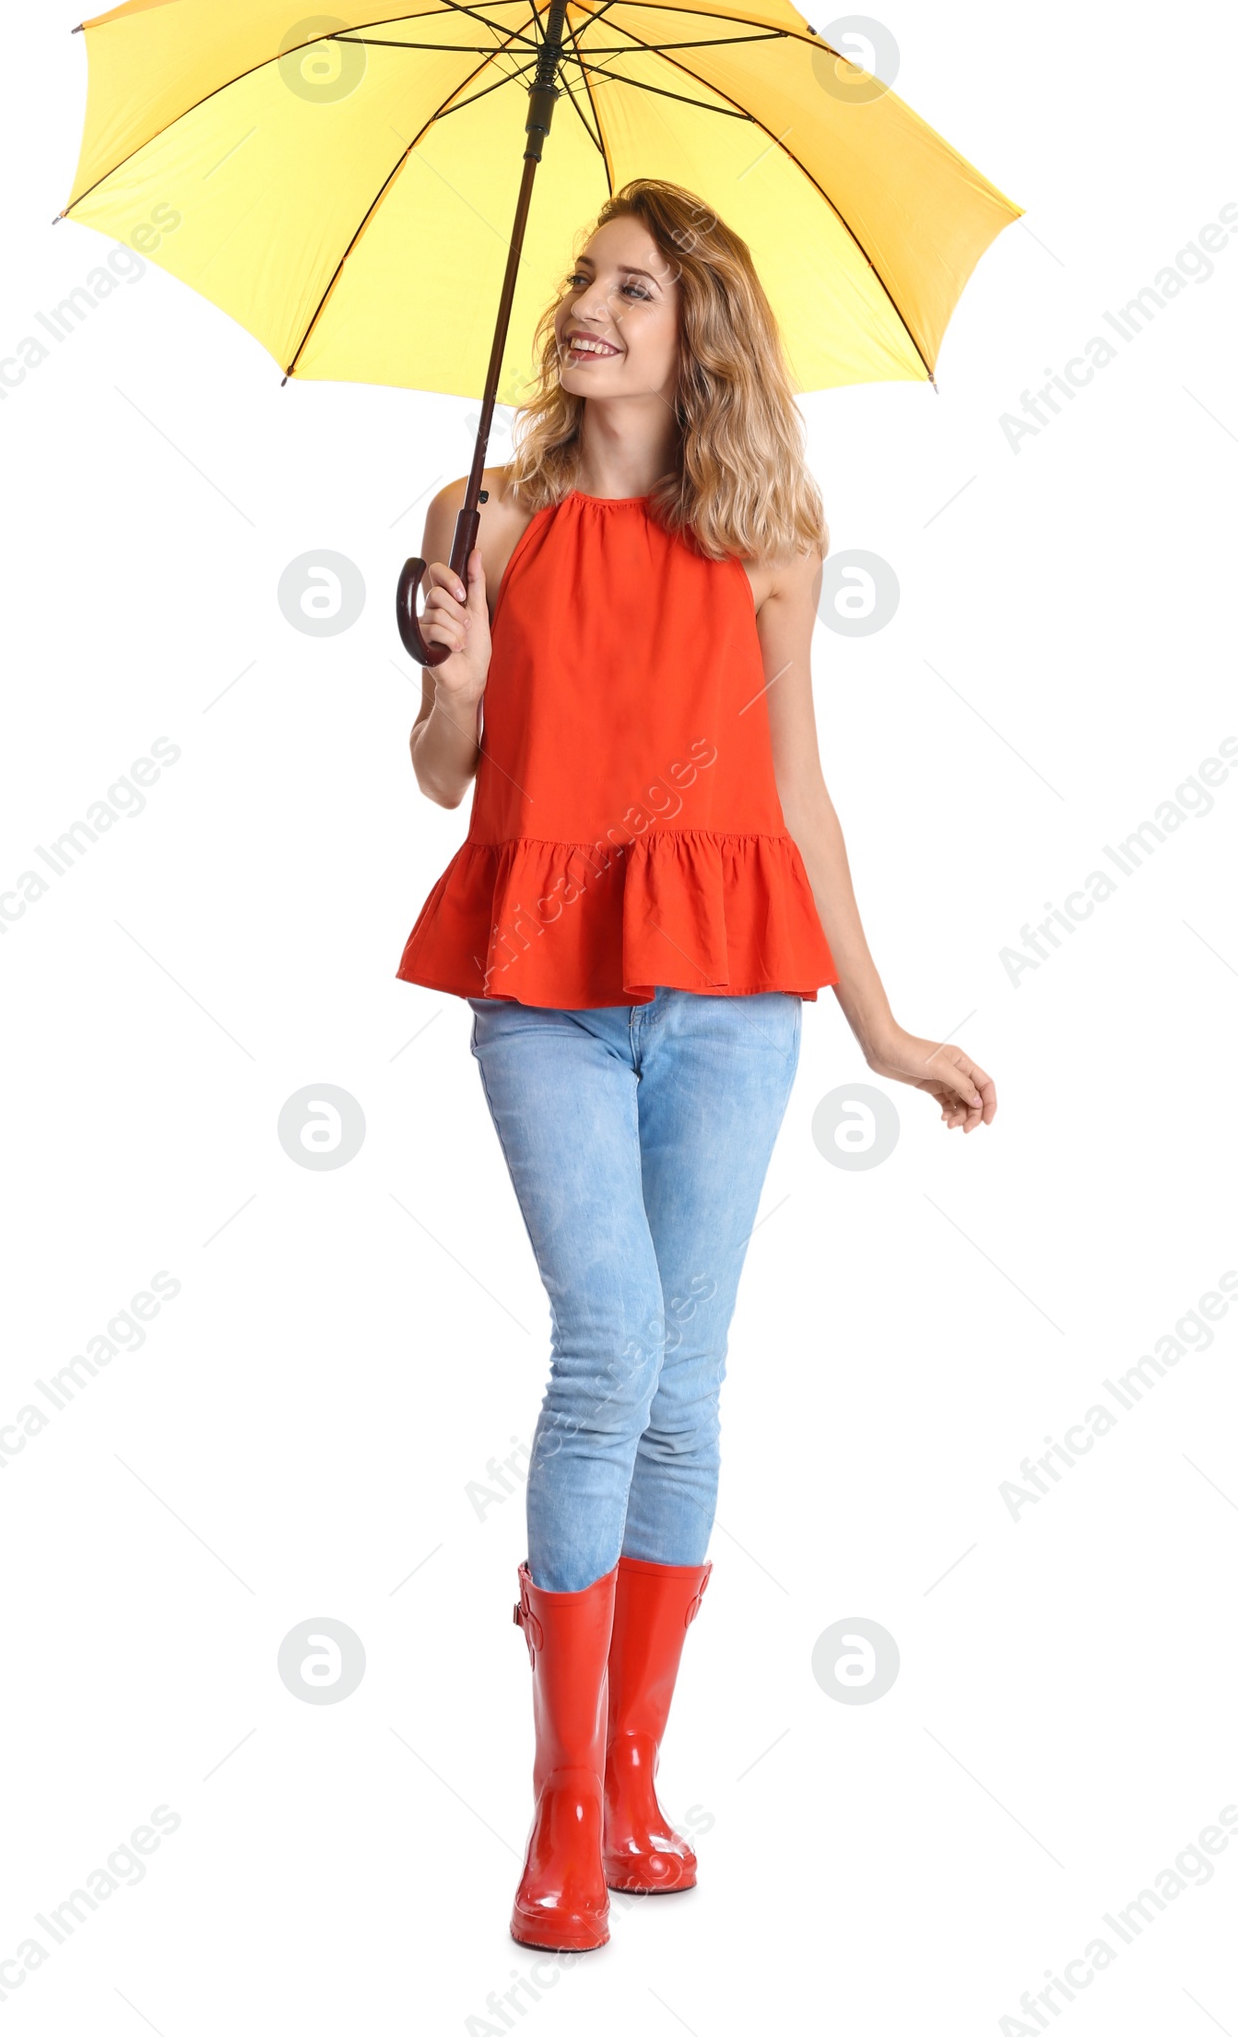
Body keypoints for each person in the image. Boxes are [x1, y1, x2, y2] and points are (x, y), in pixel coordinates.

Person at [398, 178, 996, 1952]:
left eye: (631, 289)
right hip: (547, 984)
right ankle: (563, 1802)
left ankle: (639, 1768)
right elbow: (444, 773)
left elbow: (799, 793)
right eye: (581, 281)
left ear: (698, 332)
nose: (589, 309)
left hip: (738, 994)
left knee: (688, 1379)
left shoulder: (774, 535)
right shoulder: (484, 517)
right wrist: (454, 668)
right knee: (613, 1353)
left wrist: (883, 1024)